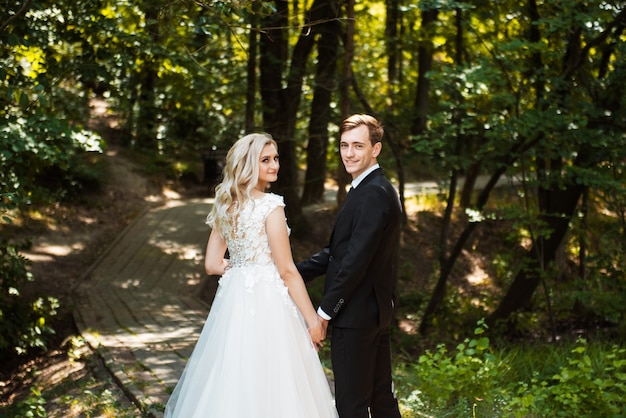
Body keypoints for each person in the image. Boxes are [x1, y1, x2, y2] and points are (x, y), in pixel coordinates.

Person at [164, 133, 338, 418]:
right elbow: (286, 270)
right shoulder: (271, 205)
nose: (275, 166)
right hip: (269, 303)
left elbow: (212, 264)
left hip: (236, 301)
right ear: (247, 164)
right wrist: (313, 322)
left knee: (234, 374)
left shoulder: (226, 204)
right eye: (266, 160)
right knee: (274, 376)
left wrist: (243, 268)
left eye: (276, 158)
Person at [297, 114, 402, 418]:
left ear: (376, 149)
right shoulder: (370, 188)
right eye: (344, 145)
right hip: (373, 313)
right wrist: (289, 272)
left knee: (352, 405)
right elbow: (338, 253)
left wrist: (324, 312)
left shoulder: (373, 193)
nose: (349, 153)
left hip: (355, 317)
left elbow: (356, 261)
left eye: (358, 145)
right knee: (381, 400)